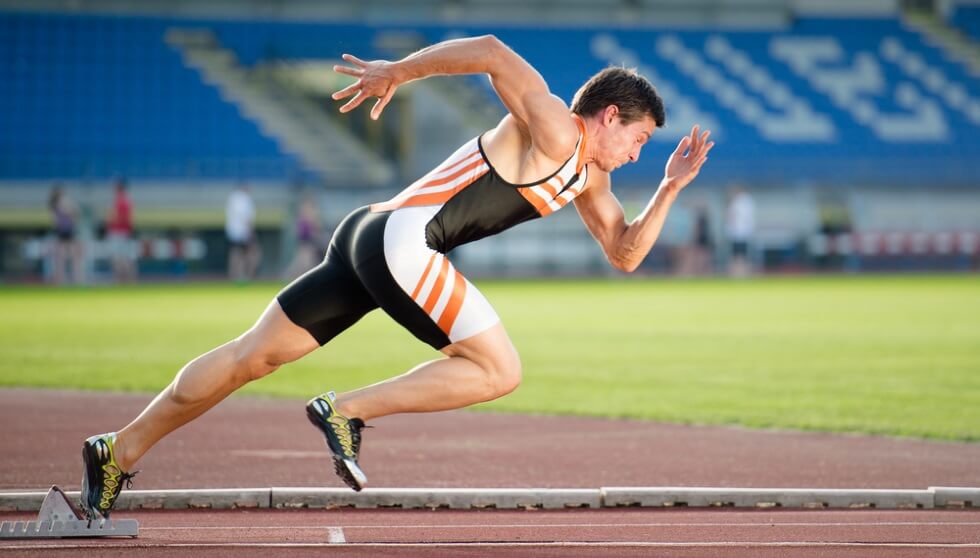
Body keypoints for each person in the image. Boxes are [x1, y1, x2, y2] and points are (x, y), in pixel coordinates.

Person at [78, 35, 713, 519]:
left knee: (252, 357)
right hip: (404, 243)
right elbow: (493, 52)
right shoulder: (554, 127)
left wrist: (668, 188)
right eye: (640, 138)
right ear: (608, 116)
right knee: (500, 370)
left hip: (366, 235)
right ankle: (345, 411)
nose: (638, 153)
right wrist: (397, 72)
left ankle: (120, 449)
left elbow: (624, 252)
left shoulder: (590, 179)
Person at [48, 185, 83, 285]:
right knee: (67, 256)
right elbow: (73, 212)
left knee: (64, 256)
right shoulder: (59, 203)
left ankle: (66, 278)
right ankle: (71, 278)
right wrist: (72, 208)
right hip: (66, 231)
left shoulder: (56, 203)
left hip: (64, 230)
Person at [225, 183, 261, 282]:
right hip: (243, 232)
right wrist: (250, 232)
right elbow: (246, 218)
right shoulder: (245, 199)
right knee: (252, 253)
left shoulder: (233, 198)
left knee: (236, 254)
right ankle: (246, 275)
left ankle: (234, 275)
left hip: (233, 232)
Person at [282, 195, 323, 280]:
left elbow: (318, 231)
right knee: (301, 264)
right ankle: (286, 278)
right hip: (305, 244)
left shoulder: (314, 216)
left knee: (308, 265)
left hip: (312, 245)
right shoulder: (303, 218)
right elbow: (301, 233)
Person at [105, 178, 137, 283]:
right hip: (122, 232)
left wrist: (112, 217)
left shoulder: (122, 201)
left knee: (119, 257)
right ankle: (127, 279)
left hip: (118, 232)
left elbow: (122, 217)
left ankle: (122, 279)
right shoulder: (124, 200)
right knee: (123, 257)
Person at [725, 185, 755, 277]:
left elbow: (732, 216)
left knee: (738, 255)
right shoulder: (748, 201)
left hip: (738, 232)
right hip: (745, 231)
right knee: (742, 254)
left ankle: (739, 272)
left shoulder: (738, 202)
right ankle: (742, 272)